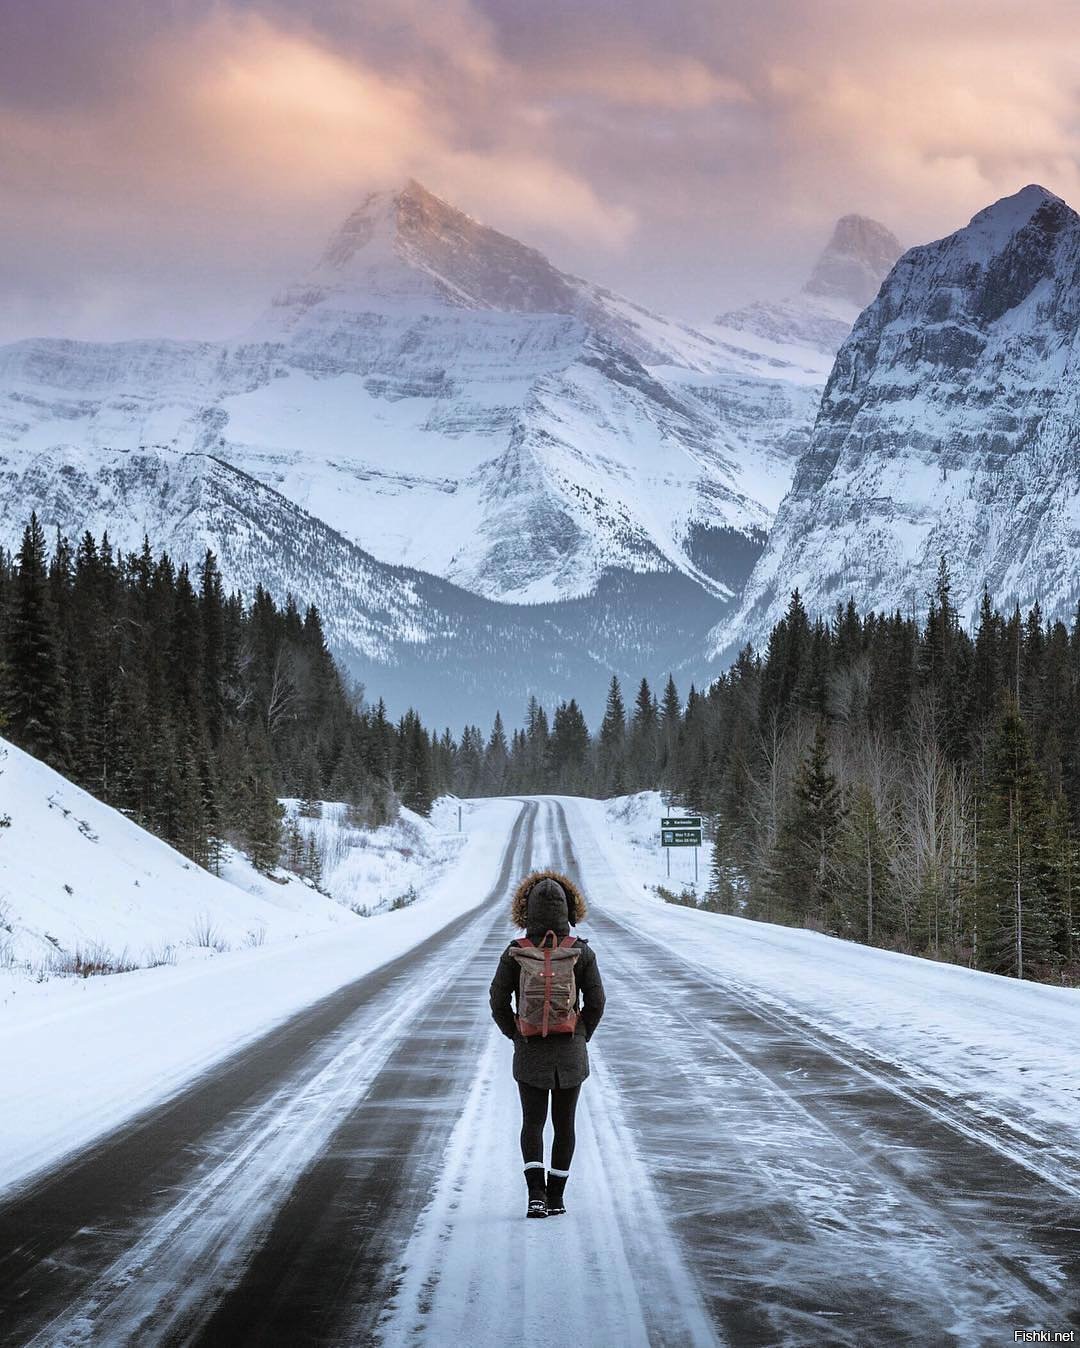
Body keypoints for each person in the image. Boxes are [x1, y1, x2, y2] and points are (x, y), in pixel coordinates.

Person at [489, 869, 605, 1218]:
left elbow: (497, 1000)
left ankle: (535, 1194)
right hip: (570, 1049)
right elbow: (597, 1002)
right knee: (565, 1124)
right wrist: (581, 1033)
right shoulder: (581, 952)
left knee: (533, 1122)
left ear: (526, 912)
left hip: (530, 1050)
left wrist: (516, 1032)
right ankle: (557, 1196)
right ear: (570, 910)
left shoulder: (515, 951)